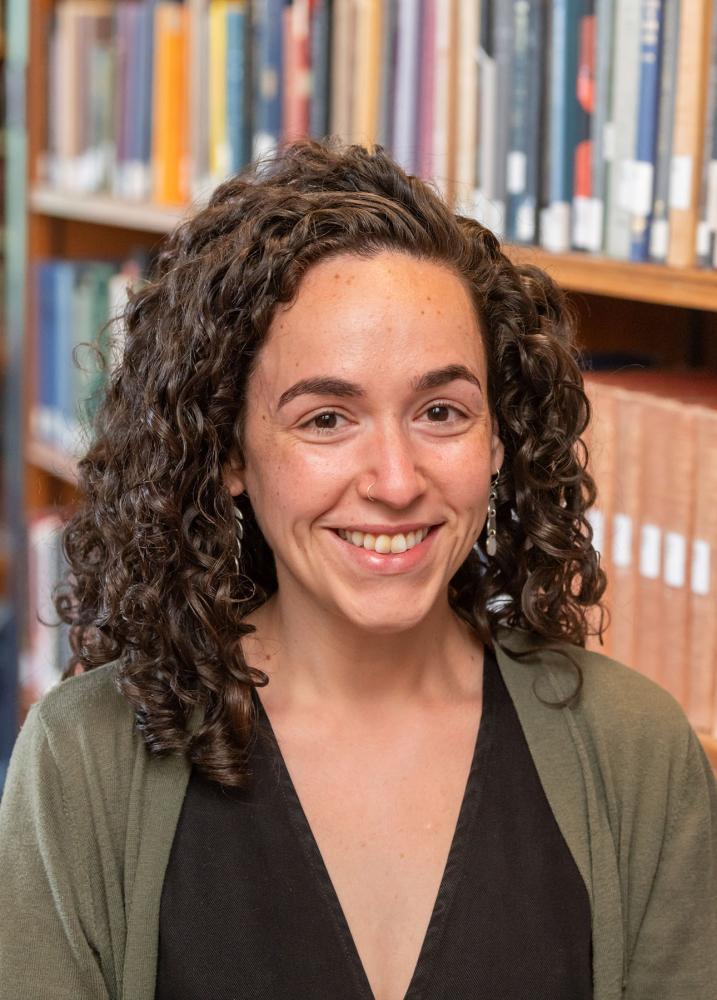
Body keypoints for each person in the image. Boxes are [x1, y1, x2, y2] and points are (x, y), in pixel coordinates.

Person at [0, 138, 715, 1000]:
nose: (395, 481)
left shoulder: (633, 752)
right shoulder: (84, 763)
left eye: (440, 411)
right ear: (229, 450)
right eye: (326, 419)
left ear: (498, 438)